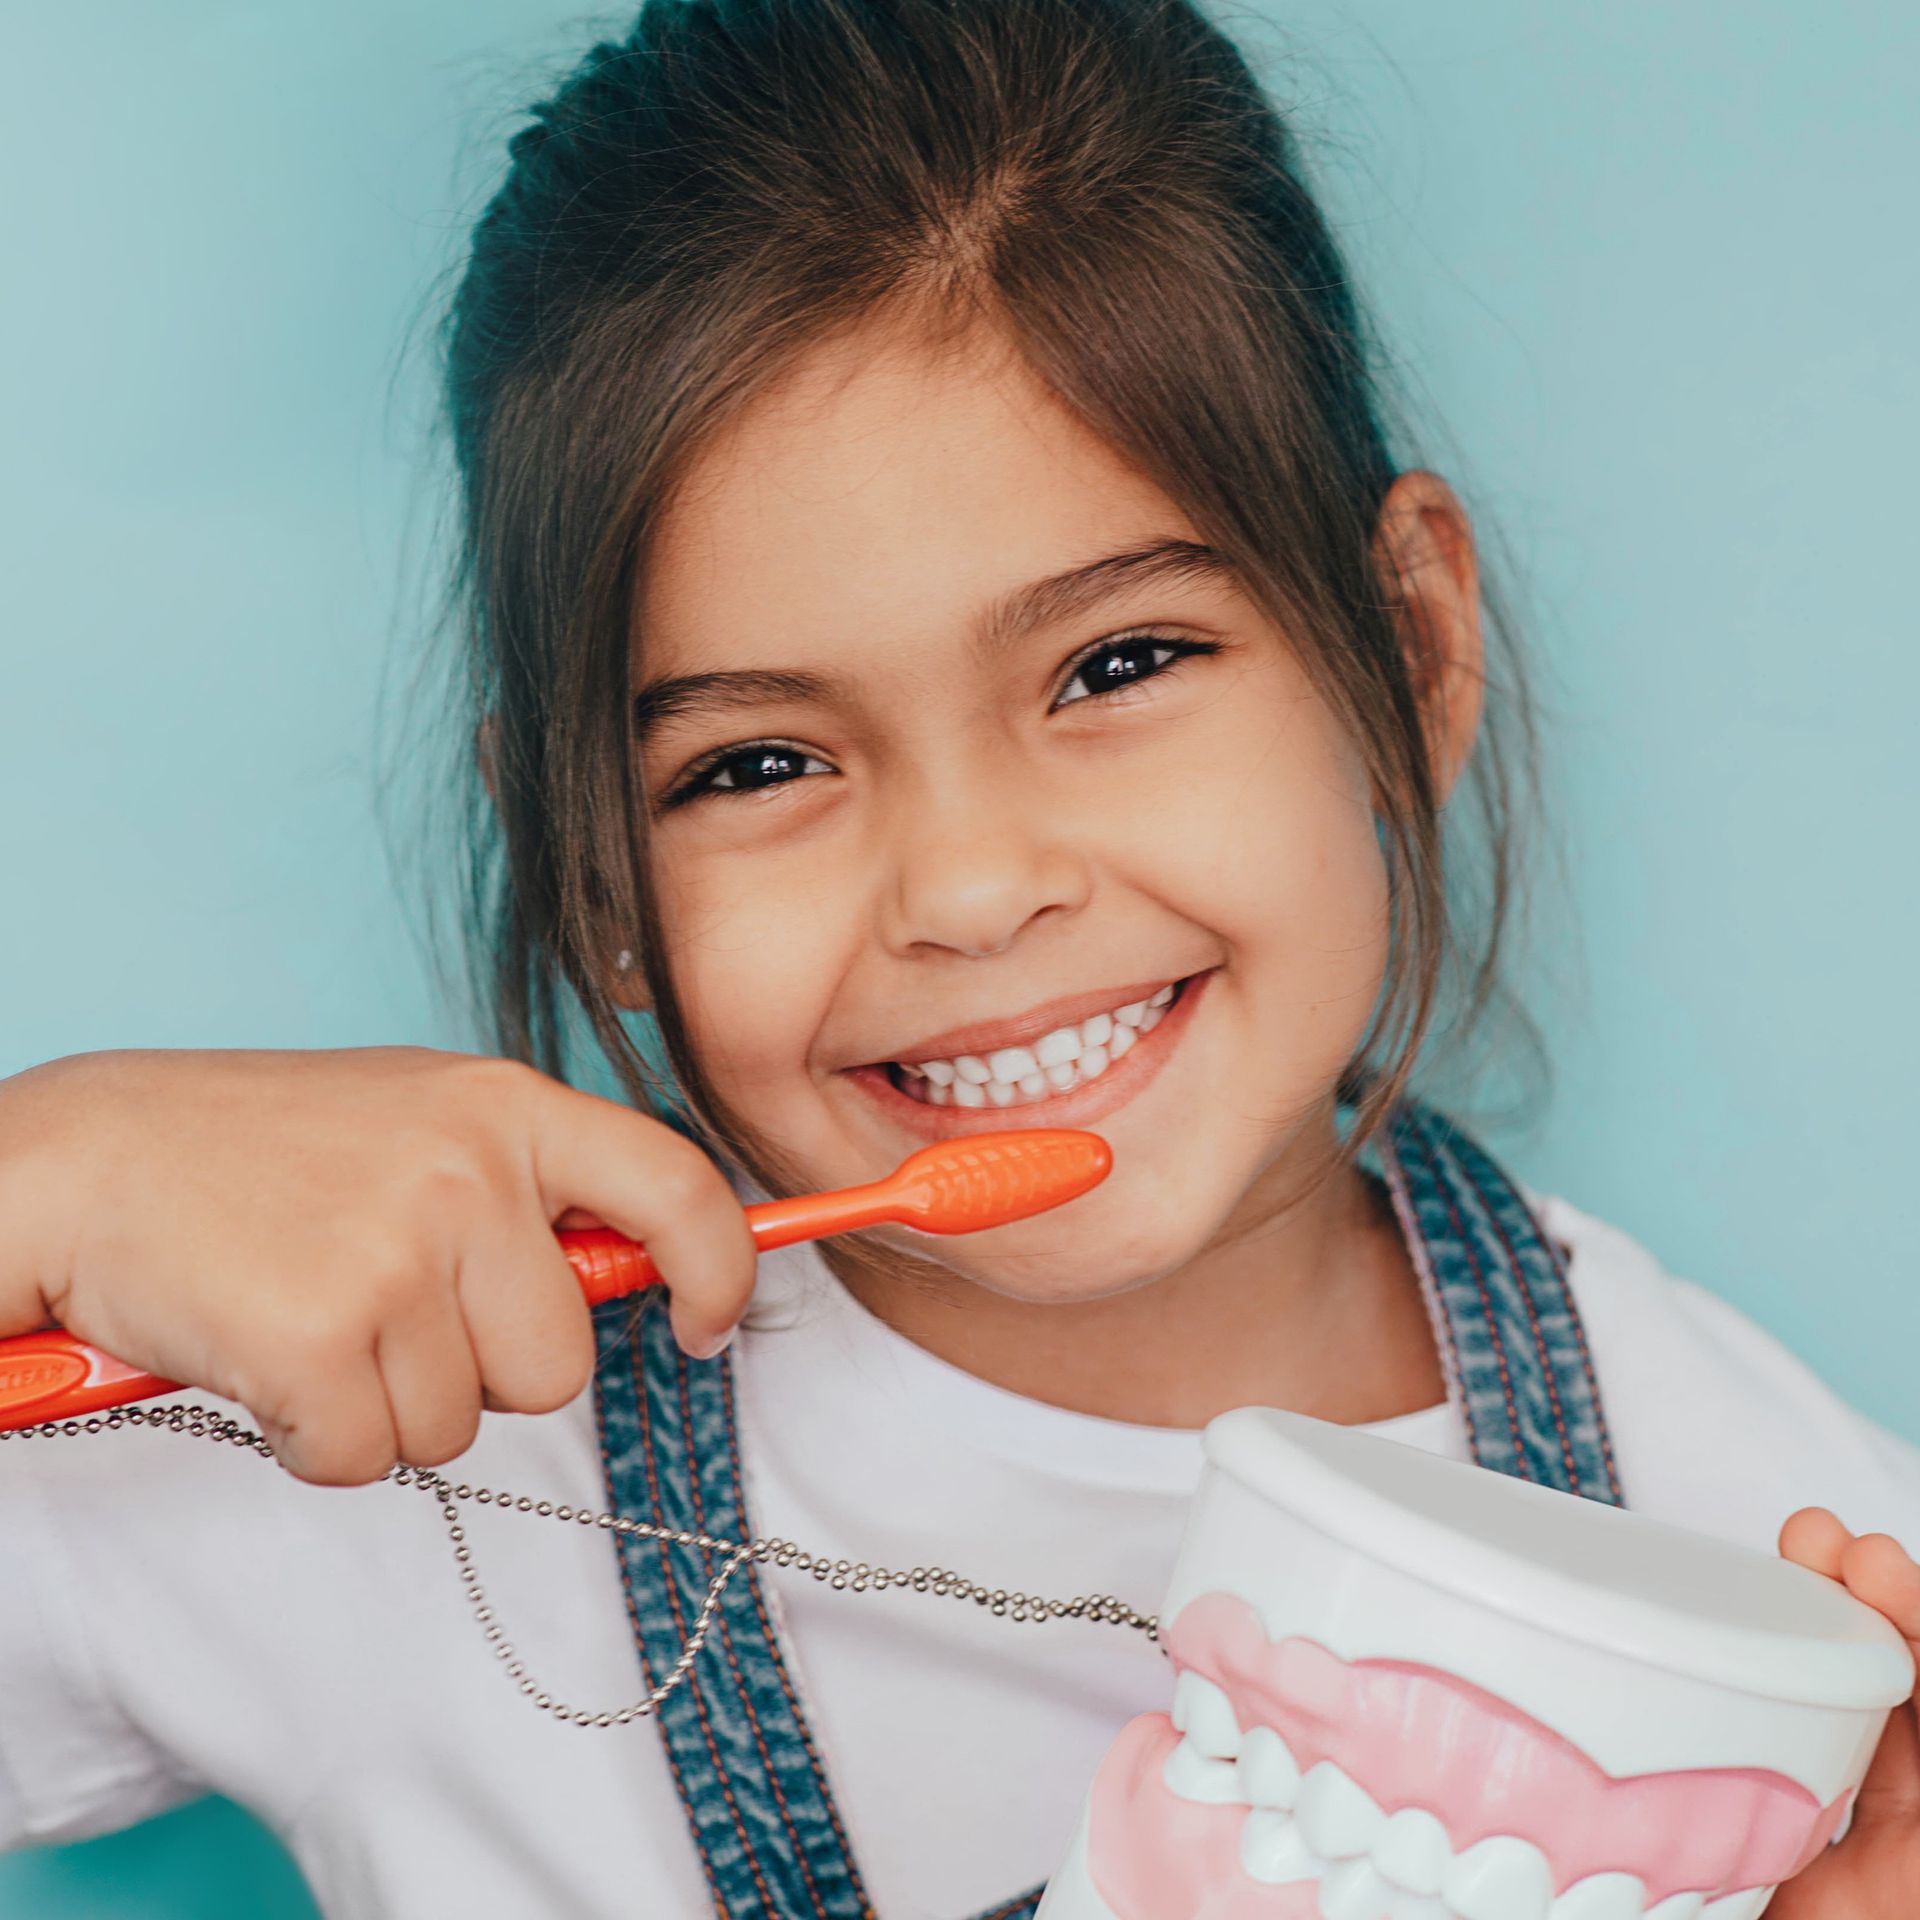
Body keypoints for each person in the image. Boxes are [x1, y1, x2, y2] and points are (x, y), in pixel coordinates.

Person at [2, 0, 1916, 1913]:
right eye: (758, 764)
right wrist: (46, 1174)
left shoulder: (1771, 1557)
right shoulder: (350, 1462)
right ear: (589, 865)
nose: (976, 889)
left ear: (1409, 648)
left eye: (1119, 665)